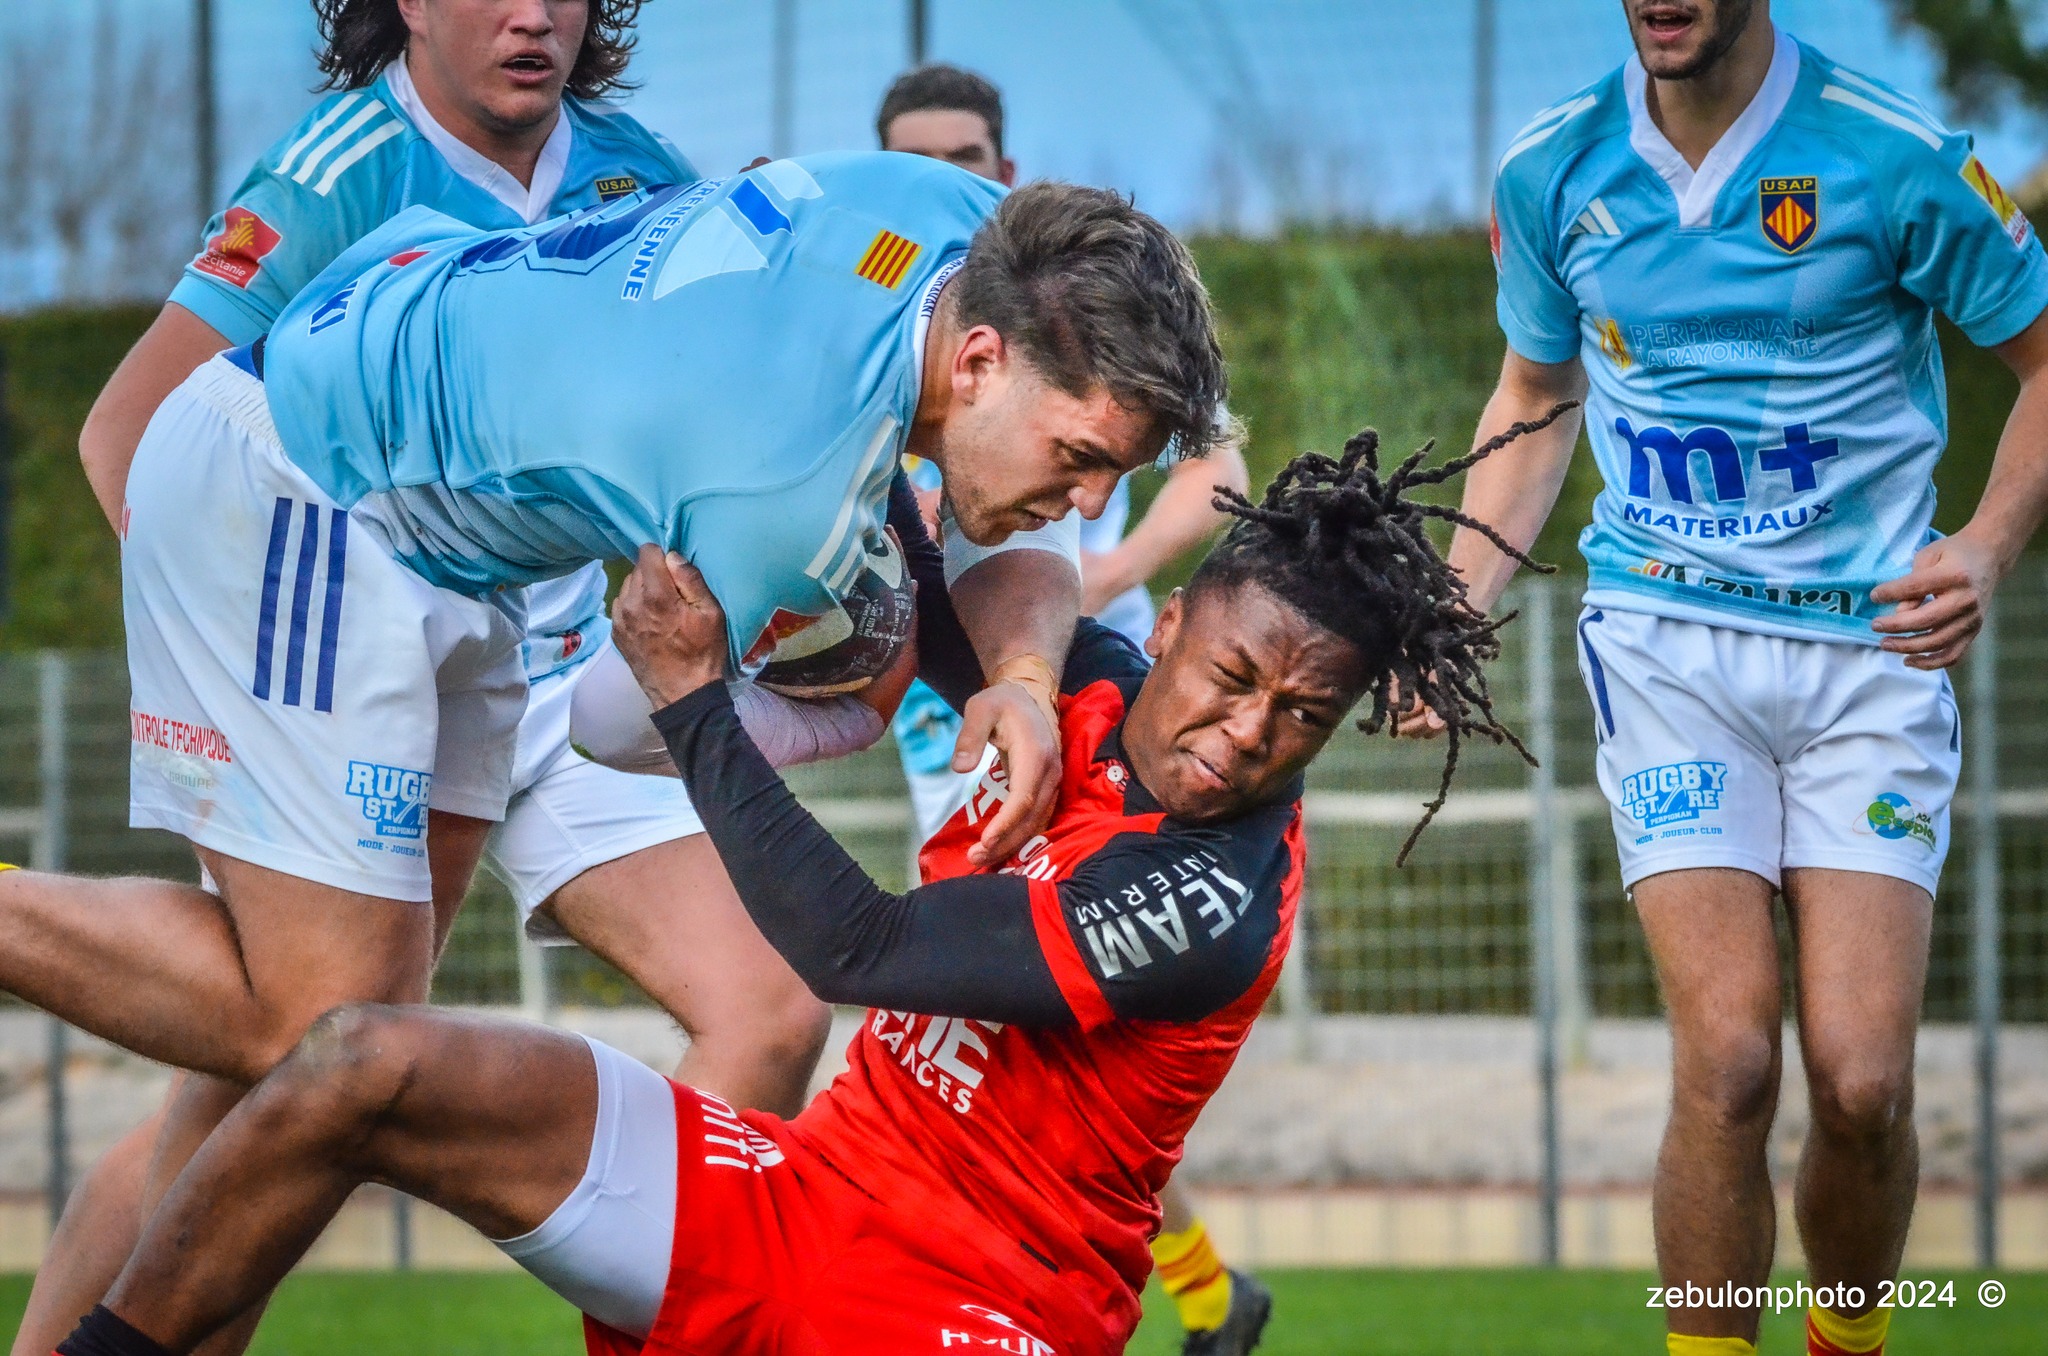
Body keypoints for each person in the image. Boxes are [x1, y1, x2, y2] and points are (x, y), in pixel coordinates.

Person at [1, 134, 1222, 1334]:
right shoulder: (778, 505)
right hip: (311, 482)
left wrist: (1015, 668)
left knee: (325, 1057)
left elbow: (974, 517)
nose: (1087, 506)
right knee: (313, 1027)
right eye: (1074, 459)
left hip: (454, 529)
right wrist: (852, 703)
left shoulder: (959, 216)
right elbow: (614, 726)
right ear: (976, 358)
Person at [38, 425, 1538, 1356]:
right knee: (354, 1061)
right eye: (1231, 679)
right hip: (801, 1196)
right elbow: (918, 546)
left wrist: (695, 702)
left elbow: (855, 943)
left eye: (1303, 719)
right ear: (1187, 609)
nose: (1247, 734)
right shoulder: (1076, 683)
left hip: (987, 1307)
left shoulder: (1213, 896)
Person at [1428, 2, 2048, 1352]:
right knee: (1729, 1060)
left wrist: (1989, 545)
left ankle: (1848, 1343)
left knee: (1864, 1079)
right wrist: (1454, 602)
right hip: (1668, 646)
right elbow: (1535, 397)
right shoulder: (1551, 169)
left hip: (1869, 656)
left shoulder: (1894, 156)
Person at [879, 70, 1262, 1351]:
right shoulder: (897, 328)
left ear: (1005, 159)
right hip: (944, 740)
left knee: (1022, 1052)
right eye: (921, 156)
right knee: (990, 1068)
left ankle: (1076, 1298)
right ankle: (1202, 1294)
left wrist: (1088, 576)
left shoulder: (1086, 331)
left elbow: (1218, 467)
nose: (955, 172)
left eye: (972, 152)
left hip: (1052, 735)